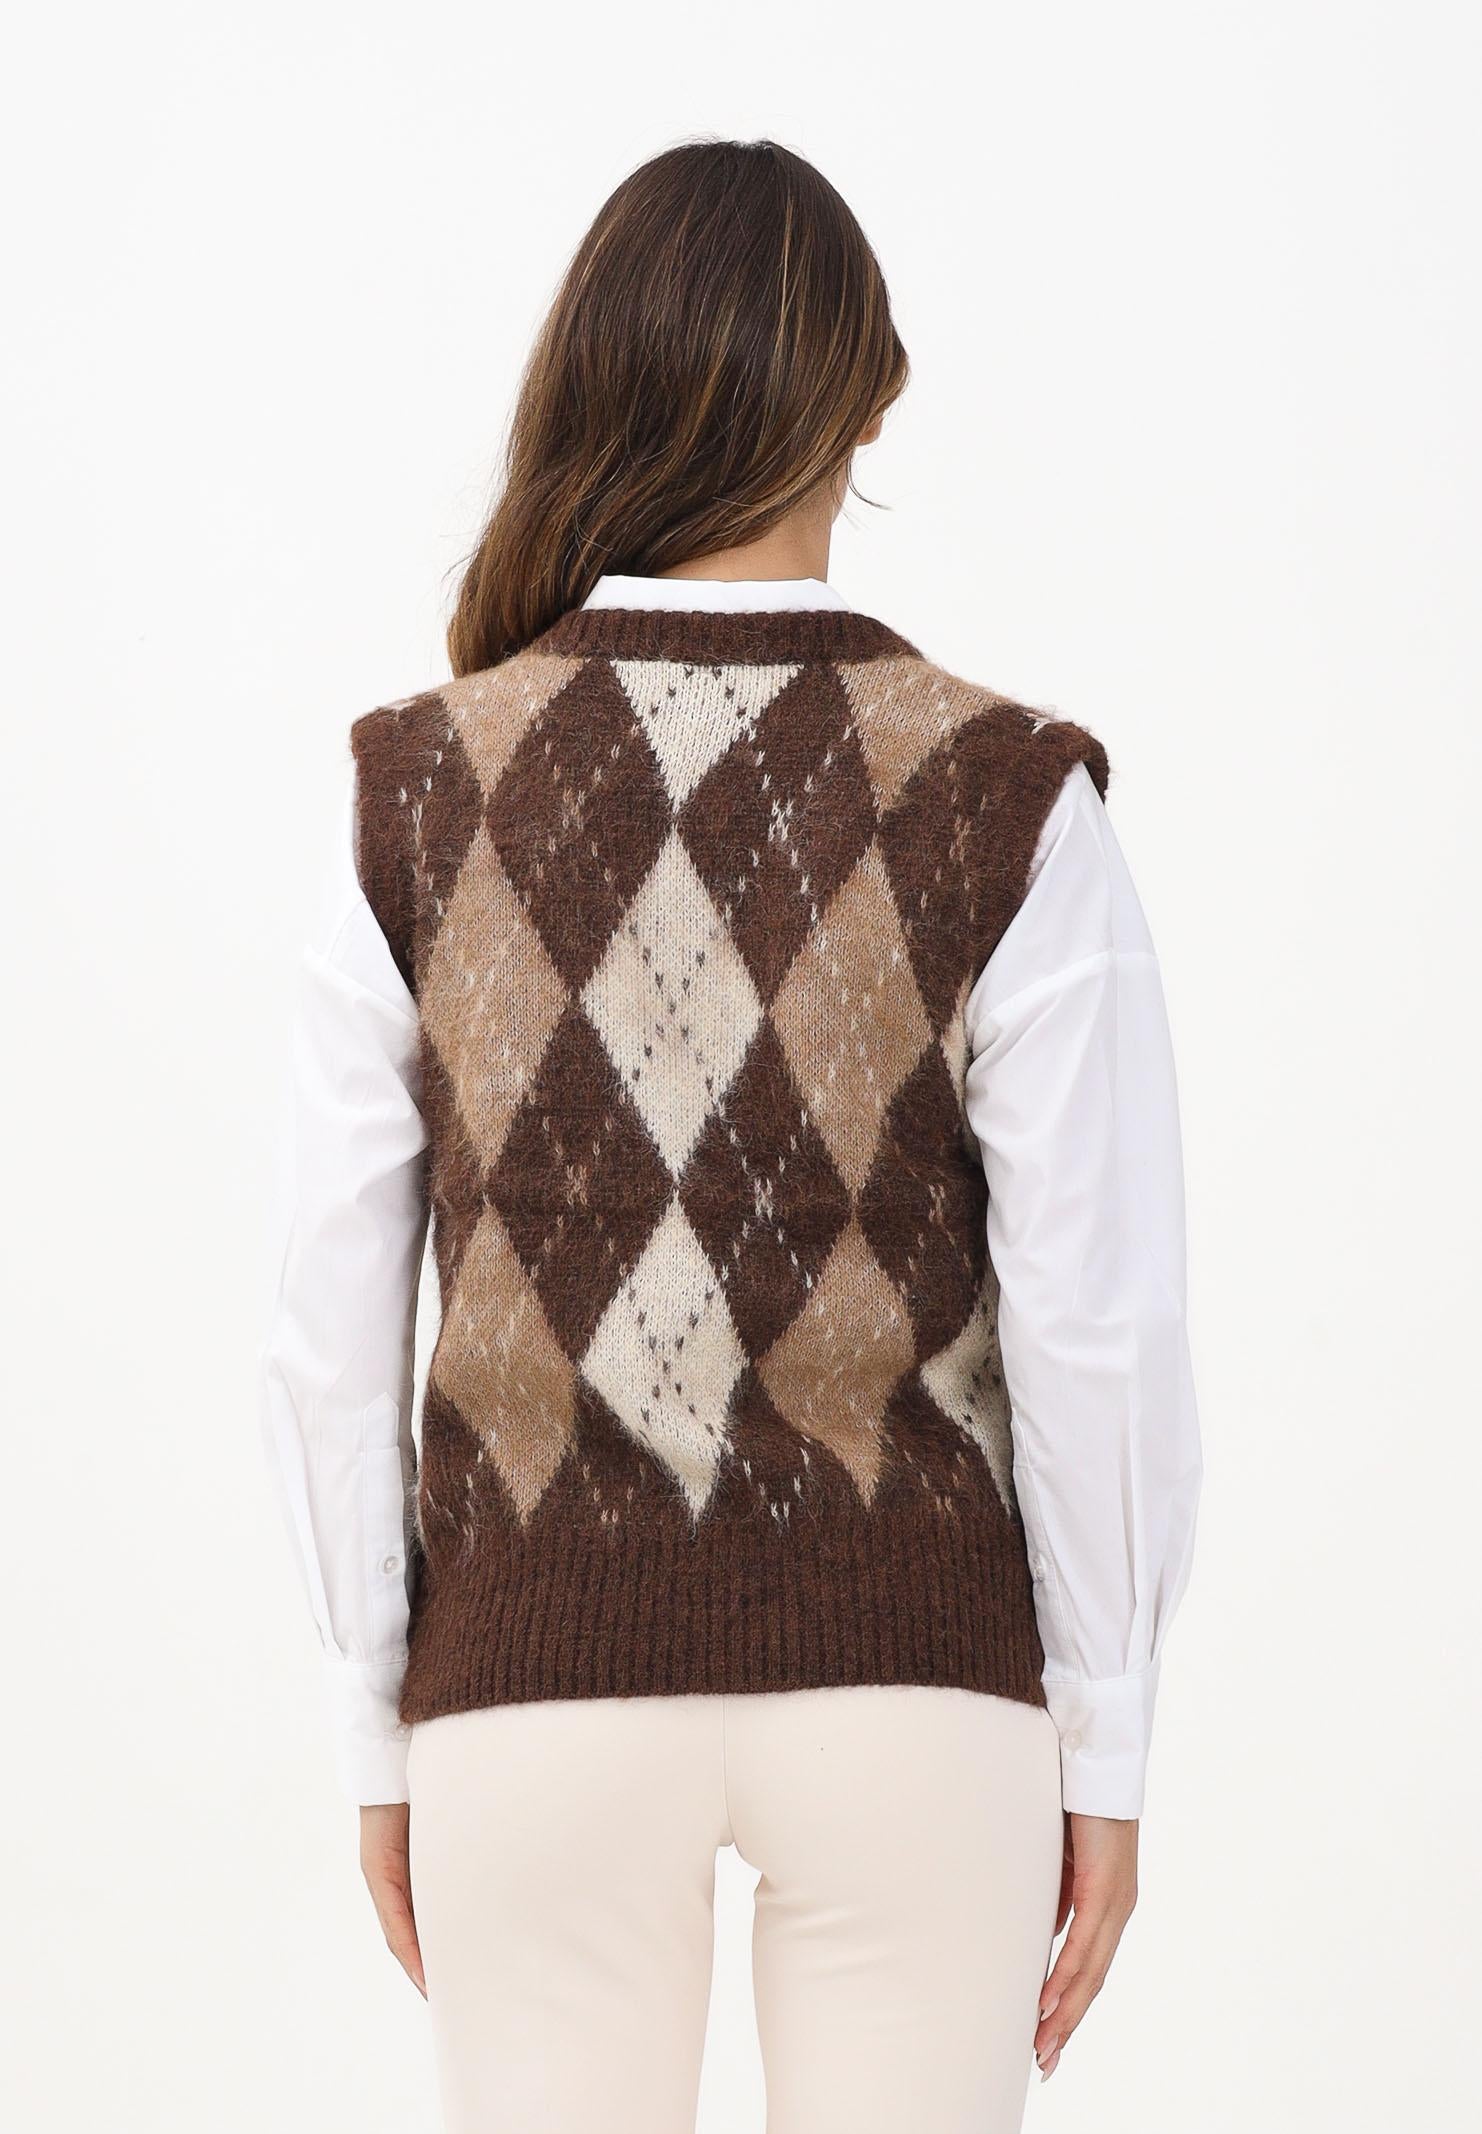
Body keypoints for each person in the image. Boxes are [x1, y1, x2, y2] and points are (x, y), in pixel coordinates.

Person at [260, 136, 1202, 2134]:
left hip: (528, 1687)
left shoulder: (413, 791)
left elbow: (323, 1329)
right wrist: (1107, 1739)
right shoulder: (1006, 794)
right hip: (915, 1687)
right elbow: (1100, 1320)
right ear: (865, 402)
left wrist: (372, 1710)